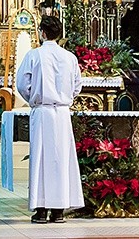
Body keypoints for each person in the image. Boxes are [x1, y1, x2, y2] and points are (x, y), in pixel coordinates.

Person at [15, 15, 84, 223]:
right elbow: (77, 86)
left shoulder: (34, 55)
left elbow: (21, 84)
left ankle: (42, 210)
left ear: (42, 33)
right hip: (62, 113)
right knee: (61, 160)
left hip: (43, 111)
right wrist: (65, 99)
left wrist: (34, 99)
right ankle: (58, 211)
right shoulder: (69, 57)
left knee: (41, 160)